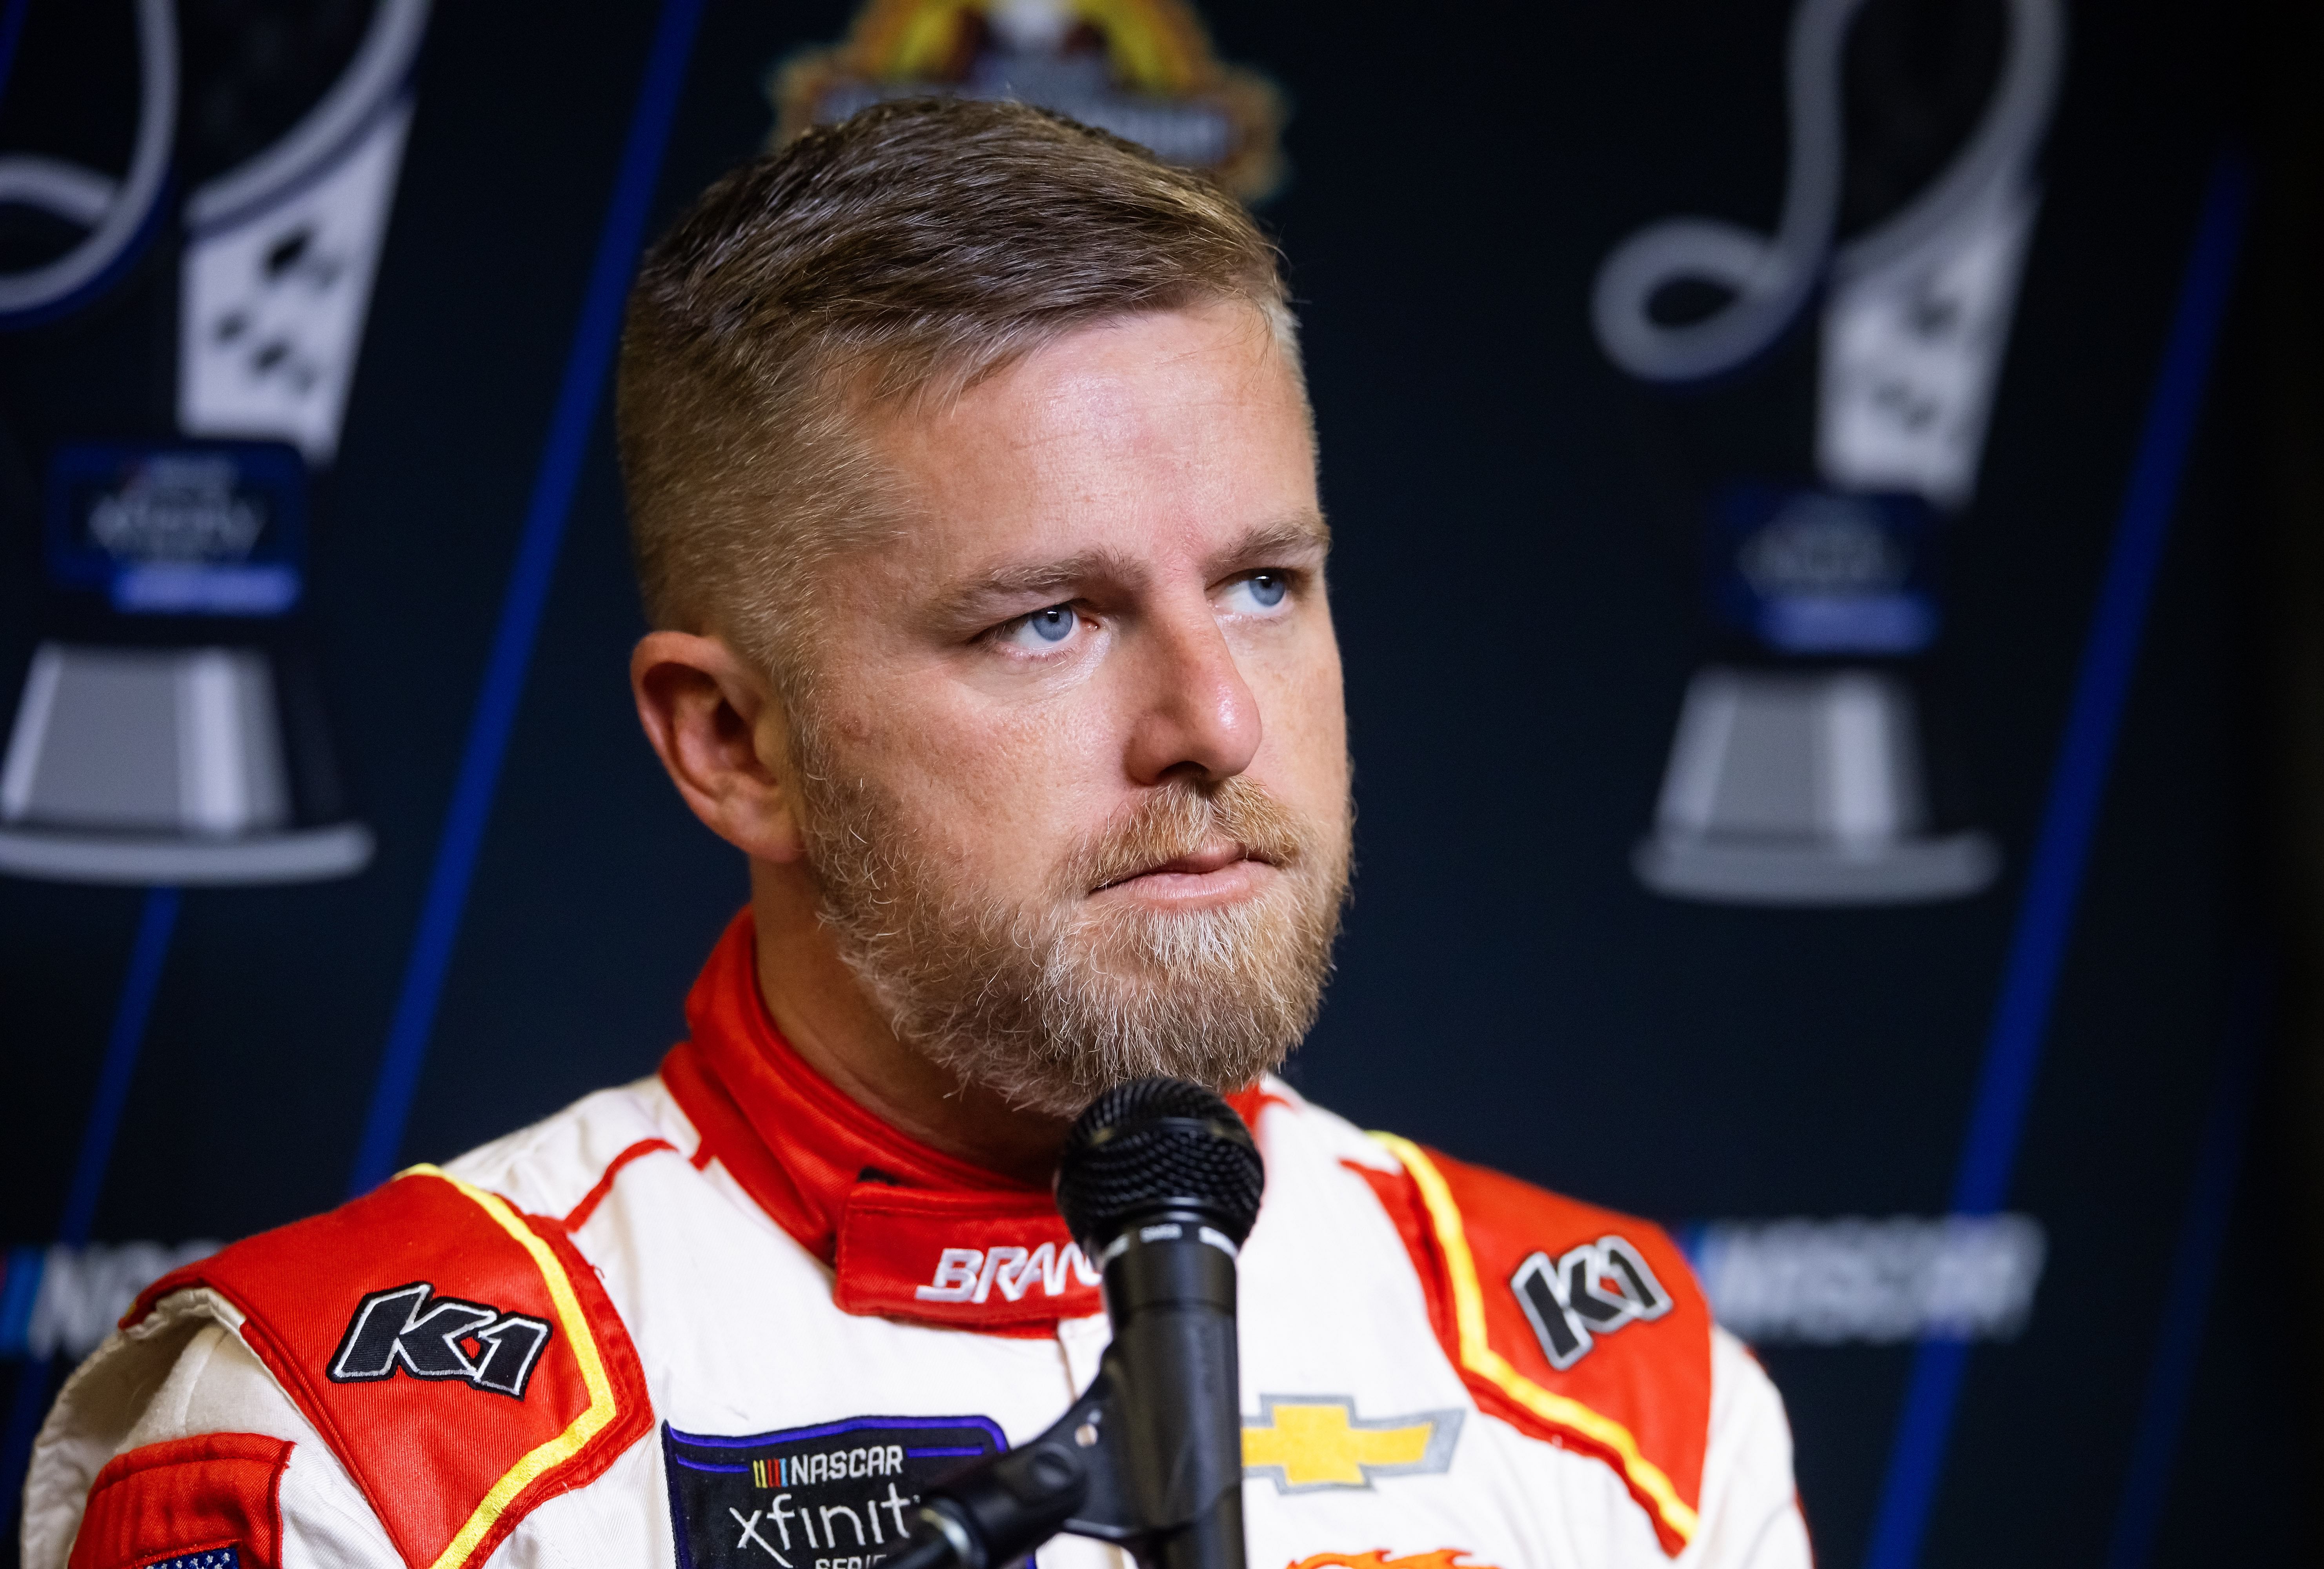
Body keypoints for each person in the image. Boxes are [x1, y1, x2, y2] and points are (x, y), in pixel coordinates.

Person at [21, 100, 1809, 1569]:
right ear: (732, 744)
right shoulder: (359, 1452)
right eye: (1049, 618)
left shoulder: (1625, 1391)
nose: (1218, 723)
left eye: (1266, 583)